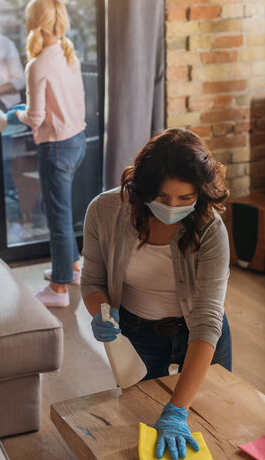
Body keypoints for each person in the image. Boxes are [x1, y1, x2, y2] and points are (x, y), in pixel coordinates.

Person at [81, 128, 231, 460]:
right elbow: (92, 280)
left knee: (215, 433)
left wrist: (177, 410)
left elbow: (206, 322)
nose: (173, 206)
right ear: (143, 188)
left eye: (185, 198)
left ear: (200, 194)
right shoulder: (104, 211)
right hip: (137, 336)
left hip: (202, 338)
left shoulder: (210, 229)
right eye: (162, 197)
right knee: (141, 433)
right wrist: (101, 310)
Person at [7, 0, 86, 307]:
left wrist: (18, 114)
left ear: (31, 24)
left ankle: (59, 289)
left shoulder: (37, 65)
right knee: (63, 213)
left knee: (57, 218)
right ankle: (73, 267)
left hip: (56, 148)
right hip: (77, 141)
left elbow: (36, 117)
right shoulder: (69, 56)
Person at [0, 34, 26, 242]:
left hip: (5, 110)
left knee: (6, 169)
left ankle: (15, 223)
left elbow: (19, 80)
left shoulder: (5, 43)